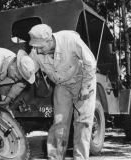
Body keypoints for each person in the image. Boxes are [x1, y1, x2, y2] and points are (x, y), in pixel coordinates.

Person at [28, 24, 97, 160]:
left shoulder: (70, 39)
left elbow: (91, 63)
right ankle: (55, 157)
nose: (38, 51)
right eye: (35, 47)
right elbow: (29, 69)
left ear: (49, 40)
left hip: (81, 81)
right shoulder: (36, 51)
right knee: (59, 124)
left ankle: (81, 158)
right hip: (62, 85)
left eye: (41, 47)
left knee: (82, 123)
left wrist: (85, 86)